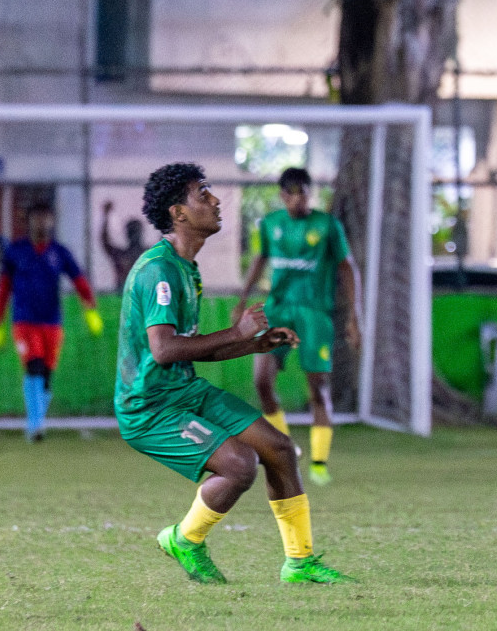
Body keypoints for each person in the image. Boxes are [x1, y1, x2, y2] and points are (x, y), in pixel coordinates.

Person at [116, 162, 350, 584]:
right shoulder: (159, 271)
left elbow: (187, 348)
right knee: (240, 466)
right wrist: (237, 332)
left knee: (278, 449)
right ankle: (184, 539)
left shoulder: (186, 267)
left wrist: (252, 344)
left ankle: (300, 563)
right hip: (149, 407)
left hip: (183, 390)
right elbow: (165, 349)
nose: (215, 200)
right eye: (202, 194)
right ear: (178, 213)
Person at [235, 167, 361, 486]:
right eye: (290, 193)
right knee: (261, 380)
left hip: (315, 313)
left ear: (310, 192)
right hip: (277, 309)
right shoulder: (272, 225)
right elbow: (260, 259)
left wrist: (353, 315)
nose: (297, 199)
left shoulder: (327, 226)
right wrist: (243, 297)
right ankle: (285, 446)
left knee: (318, 387)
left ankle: (319, 463)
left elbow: (347, 267)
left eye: (302, 192)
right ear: (281, 196)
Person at [0, 202, 103, 441]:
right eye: (37, 218)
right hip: (24, 322)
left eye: (46, 218)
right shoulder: (16, 251)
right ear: (29, 221)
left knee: (47, 375)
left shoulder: (59, 252)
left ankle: (36, 421)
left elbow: (79, 281)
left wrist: (90, 310)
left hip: (52, 323)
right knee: (34, 366)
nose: (42, 223)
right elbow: (3, 287)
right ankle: (35, 425)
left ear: (52, 221)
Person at [101, 199, 147, 287]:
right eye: (132, 231)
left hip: (144, 294)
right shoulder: (121, 254)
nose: (134, 235)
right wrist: (106, 216)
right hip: (122, 295)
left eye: (136, 231)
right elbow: (105, 242)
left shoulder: (150, 254)